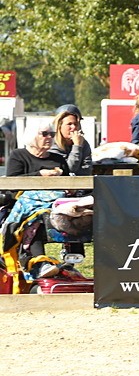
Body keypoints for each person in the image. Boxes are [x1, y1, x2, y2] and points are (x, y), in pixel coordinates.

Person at [3, 120, 72, 280]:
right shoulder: (18, 156)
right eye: (44, 134)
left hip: (54, 206)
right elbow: (12, 184)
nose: (49, 137)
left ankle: (68, 263)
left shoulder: (58, 160)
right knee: (36, 220)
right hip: (25, 206)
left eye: (52, 134)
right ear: (32, 136)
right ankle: (38, 263)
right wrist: (40, 175)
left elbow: (69, 184)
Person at [49, 104, 92, 176]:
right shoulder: (52, 143)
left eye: (76, 124)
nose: (74, 127)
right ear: (59, 126)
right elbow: (68, 169)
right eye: (69, 124)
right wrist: (77, 147)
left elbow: (87, 170)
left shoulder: (83, 143)